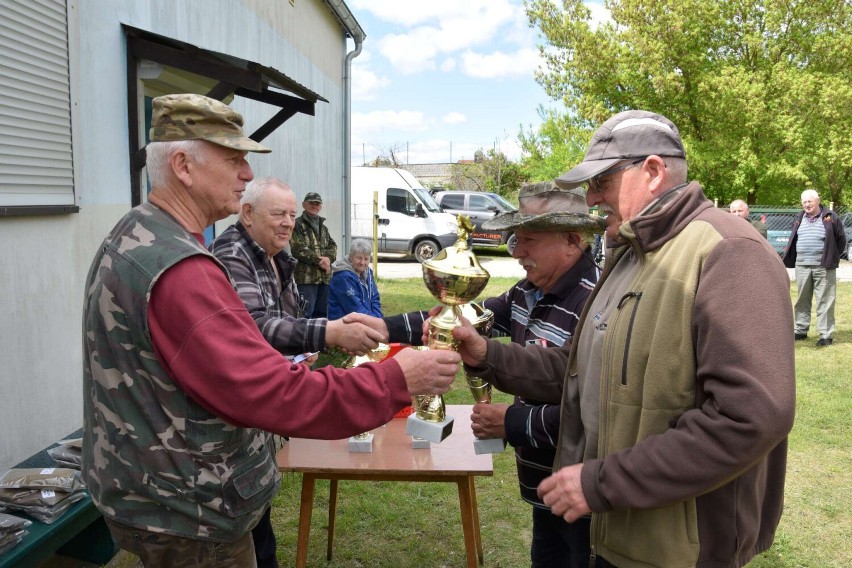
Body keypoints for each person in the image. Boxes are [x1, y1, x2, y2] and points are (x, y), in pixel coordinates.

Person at [81, 93, 460, 567]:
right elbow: (270, 390)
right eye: (234, 158)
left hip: (158, 495)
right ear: (183, 165)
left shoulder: (138, 231)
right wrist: (395, 379)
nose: (245, 173)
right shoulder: (181, 269)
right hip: (191, 514)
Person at [452, 110, 796, 568]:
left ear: (652, 172)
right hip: (611, 532)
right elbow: (578, 369)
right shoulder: (631, 254)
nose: (592, 198)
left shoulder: (729, 252)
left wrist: (603, 483)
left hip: (681, 549)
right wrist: (488, 354)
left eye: (603, 181)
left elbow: (748, 416)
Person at [347, 183, 606, 567]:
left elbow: (594, 411)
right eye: (515, 238)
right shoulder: (528, 292)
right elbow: (459, 317)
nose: (515, 251)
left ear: (571, 241)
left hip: (584, 495)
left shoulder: (596, 304)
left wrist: (512, 421)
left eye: (528, 240)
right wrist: (385, 328)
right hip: (545, 486)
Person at [209, 177, 388, 567]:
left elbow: (290, 317)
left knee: (259, 518)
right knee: (243, 526)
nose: (288, 223)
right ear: (248, 213)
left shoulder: (275, 255)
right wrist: (329, 332)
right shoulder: (232, 253)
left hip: (256, 414)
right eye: (279, 214)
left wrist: (302, 349)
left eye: (291, 214)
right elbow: (253, 326)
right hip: (227, 421)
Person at [782, 189, 847, 346]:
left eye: (810, 201)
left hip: (823, 266)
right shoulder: (799, 217)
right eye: (804, 202)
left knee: (825, 300)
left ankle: (825, 335)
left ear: (818, 201)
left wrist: (832, 256)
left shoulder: (830, 217)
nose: (807, 204)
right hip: (802, 264)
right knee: (802, 299)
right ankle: (801, 330)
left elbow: (841, 239)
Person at [291, 192, 336, 318]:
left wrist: (328, 258)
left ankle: (319, 338)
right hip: (306, 280)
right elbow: (297, 248)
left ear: (320, 206)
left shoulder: (323, 228)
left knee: (322, 315)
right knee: (304, 315)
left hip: (324, 279)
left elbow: (333, 246)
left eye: (317, 203)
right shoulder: (297, 225)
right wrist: (319, 260)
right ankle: (303, 338)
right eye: (311, 203)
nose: (314, 206)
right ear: (304, 205)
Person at [328, 238, 383, 319]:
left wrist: (379, 319)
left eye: (366, 259)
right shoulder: (343, 277)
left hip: (365, 321)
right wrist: (376, 322)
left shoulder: (368, 273)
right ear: (351, 257)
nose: (362, 263)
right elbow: (355, 309)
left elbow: (375, 299)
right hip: (345, 324)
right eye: (359, 258)